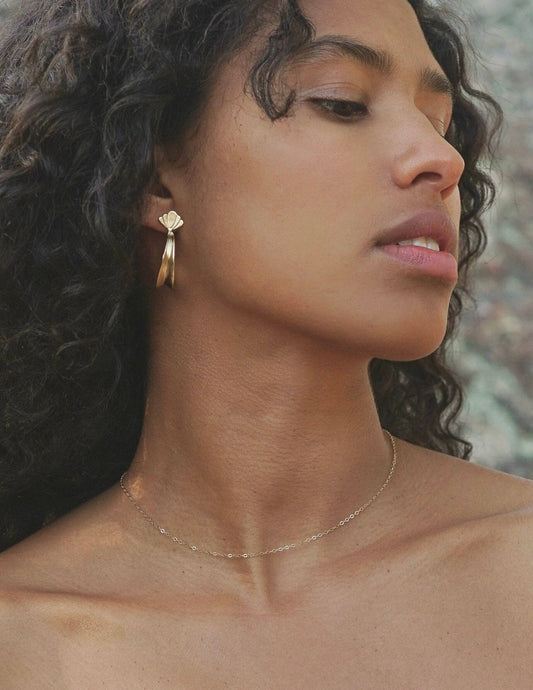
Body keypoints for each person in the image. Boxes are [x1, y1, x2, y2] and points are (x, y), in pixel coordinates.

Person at [0, 0, 531, 686]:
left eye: (441, 122)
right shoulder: (23, 642)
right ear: (156, 180)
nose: (442, 158)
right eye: (342, 103)